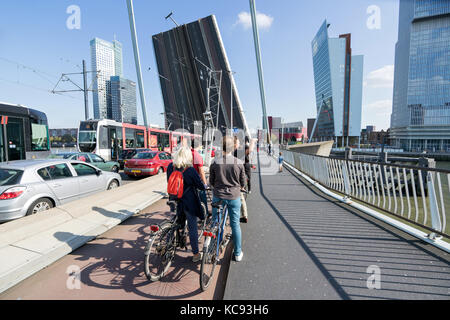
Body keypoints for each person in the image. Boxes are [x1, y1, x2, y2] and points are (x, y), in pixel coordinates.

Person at [209, 136, 246, 262]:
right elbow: (243, 183)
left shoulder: (215, 162)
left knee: (216, 223)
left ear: (221, 146)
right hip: (234, 197)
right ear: (233, 147)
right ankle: (237, 253)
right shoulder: (239, 163)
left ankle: (212, 250)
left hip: (218, 196)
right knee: (235, 225)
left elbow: (211, 182)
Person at [167, 147, 206, 263]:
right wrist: (205, 186)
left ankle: (166, 243)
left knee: (174, 222)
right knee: (192, 228)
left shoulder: (171, 167)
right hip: (188, 203)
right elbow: (199, 185)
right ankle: (196, 254)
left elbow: (169, 181)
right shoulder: (190, 170)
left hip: (174, 199)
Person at [191, 139, 209, 215]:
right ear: (199, 146)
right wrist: (205, 184)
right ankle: (205, 214)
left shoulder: (187, 153)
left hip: (187, 179)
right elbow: (201, 172)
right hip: (196, 179)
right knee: (202, 197)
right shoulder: (197, 156)